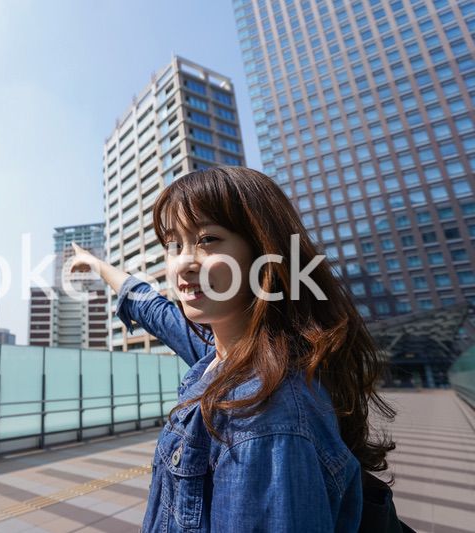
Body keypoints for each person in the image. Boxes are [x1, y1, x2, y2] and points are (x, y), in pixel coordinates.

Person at [69, 167, 397, 532]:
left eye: (208, 239)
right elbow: (151, 307)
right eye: (174, 244)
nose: (184, 262)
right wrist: (98, 265)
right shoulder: (222, 355)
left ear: (264, 253)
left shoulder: (264, 413)